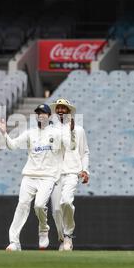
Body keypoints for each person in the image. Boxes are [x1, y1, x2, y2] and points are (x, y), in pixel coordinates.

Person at [0, 104, 75, 251]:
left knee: (39, 205)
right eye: (38, 113)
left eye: (43, 113)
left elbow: (70, 146)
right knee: (22, 205)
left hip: (48, 177)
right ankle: (14, 242)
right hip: (29, 176)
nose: (40, 115)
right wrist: (4, 133)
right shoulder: (30, 133)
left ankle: (43, 229)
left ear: (49, 115)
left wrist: (69, 131)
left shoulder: (57, 133)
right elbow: (12, 145)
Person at [47, 98, 90, 251]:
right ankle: (62, 237)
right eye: (58, 108)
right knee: (56, 210)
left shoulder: (79, 130)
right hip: (55, 174)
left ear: (69, 111)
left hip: (72, 172)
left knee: (66, 202)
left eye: (63, 108)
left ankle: (68, 236)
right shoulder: (49, 130)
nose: (60, 111)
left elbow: (84, 152)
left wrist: (85, 170)